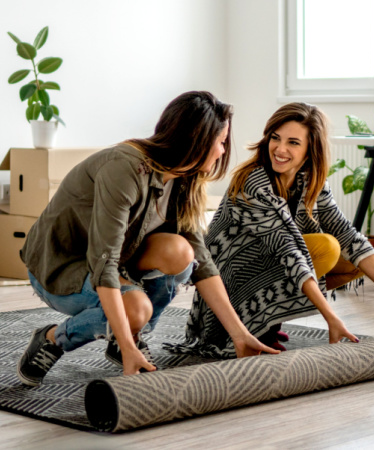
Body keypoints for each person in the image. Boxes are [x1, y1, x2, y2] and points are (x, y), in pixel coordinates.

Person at [17, 91, 280, 387]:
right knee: (137, 309)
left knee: (182, 253)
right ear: (198, 141)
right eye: (220, 142)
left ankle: (127, 334)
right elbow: (104, 263)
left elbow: (202, 263)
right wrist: (129, 346)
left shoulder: (184, 177)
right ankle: (53, 340)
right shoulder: (125, 168)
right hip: (62, 266)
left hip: (116, 260)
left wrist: (239, 335)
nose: (222, 151)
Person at [170, 102, 374, 358]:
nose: (280, 149)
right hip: (229, 279)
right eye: (275, 138)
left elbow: (348, 235)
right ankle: (257, 319)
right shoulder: (254, 181)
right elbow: (289, 251)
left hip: (270, 266)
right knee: (324, 247)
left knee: (353, 258)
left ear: (309, 150)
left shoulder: (311, 180)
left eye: (293, 142)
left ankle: (270, 317)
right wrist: (332, 318)